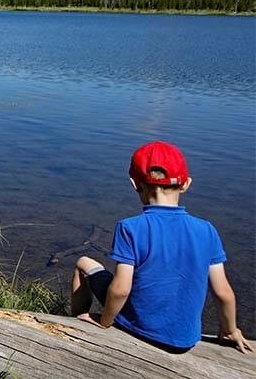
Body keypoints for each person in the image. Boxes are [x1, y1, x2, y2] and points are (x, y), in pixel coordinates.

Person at [71, 141, 251, 354]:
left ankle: (75, 321)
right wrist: (230, 329)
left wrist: (105, 321)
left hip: (137, 328)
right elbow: (223, 293)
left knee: (83, 263)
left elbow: (120, 290)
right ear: (186, 184)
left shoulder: (130, 228)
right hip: (186, 340)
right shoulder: (207, 230)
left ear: (135, 184)